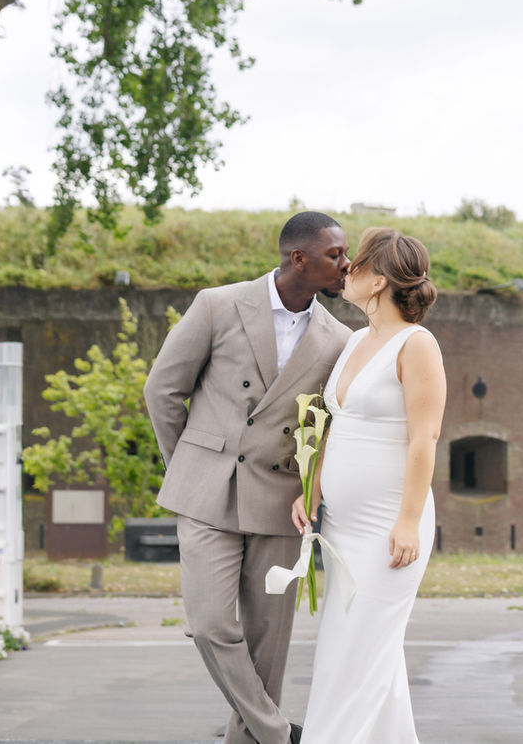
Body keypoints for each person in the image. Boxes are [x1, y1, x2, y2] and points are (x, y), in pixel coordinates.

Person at [143, 211, 351, 744]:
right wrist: (189, 467)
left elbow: (326, 426)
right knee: (211, 625)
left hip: (280, 500)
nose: (346, 265)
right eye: (335, 255)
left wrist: (314, 487)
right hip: (206, 495)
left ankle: (255, 738)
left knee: (267, 647)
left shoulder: (337, 338)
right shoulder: (218, 304)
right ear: (297, 258)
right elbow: (163, 391)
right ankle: (278, 732)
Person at [291, 227, 446, 744]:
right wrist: (311, 488)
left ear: (378, 279)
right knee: (357, 649)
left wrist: (407, 521)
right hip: (342, 527)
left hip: (388, 527)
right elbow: (333, 424)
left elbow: (424, 437)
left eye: (355, 263)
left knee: (358, 654)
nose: (345, 269)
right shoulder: (357, 339)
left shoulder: (416, 344)